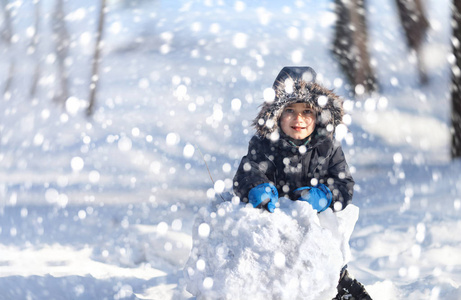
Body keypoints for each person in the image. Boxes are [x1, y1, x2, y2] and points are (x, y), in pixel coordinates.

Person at [233, 66, 372, 300]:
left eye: (307, 111)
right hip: (275, 227)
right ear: (276, 114)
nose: (299, 119)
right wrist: (257, 187)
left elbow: (344, 183)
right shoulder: (264, 145)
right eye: (290, 110)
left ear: (318, 115)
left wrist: (325, 196)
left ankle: (337, 285)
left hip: (316, 226)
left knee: (326, 252)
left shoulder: (328, 147)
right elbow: (247, 172)